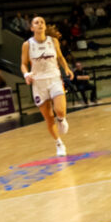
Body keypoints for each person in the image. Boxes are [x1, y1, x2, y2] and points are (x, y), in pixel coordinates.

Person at [20, 15, 73, 157]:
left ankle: (61, 119)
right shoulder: (27, 45)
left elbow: (60, 57)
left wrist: (66, 68)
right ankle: (59, 143)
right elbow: (23, 64)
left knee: (59, 110)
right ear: (32, 28)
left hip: (54, 78)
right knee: (49, 118)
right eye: (36, 22)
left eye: (42, 22)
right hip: (38, 83)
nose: (40, 24)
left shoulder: (53, 41)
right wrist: (26, 74)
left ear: (44, 26)